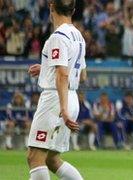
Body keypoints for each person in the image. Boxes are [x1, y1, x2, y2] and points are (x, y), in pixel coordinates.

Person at [26, 0, 86, 179]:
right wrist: (46, 68)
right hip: (71, 97)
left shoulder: (58, 36)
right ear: (73, 10)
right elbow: (82, 75)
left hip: (56, 100)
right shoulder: (78, 36)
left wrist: (63, 109)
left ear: (51, 6)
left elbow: (62, 75)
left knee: (34, 157)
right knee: (52, 159)